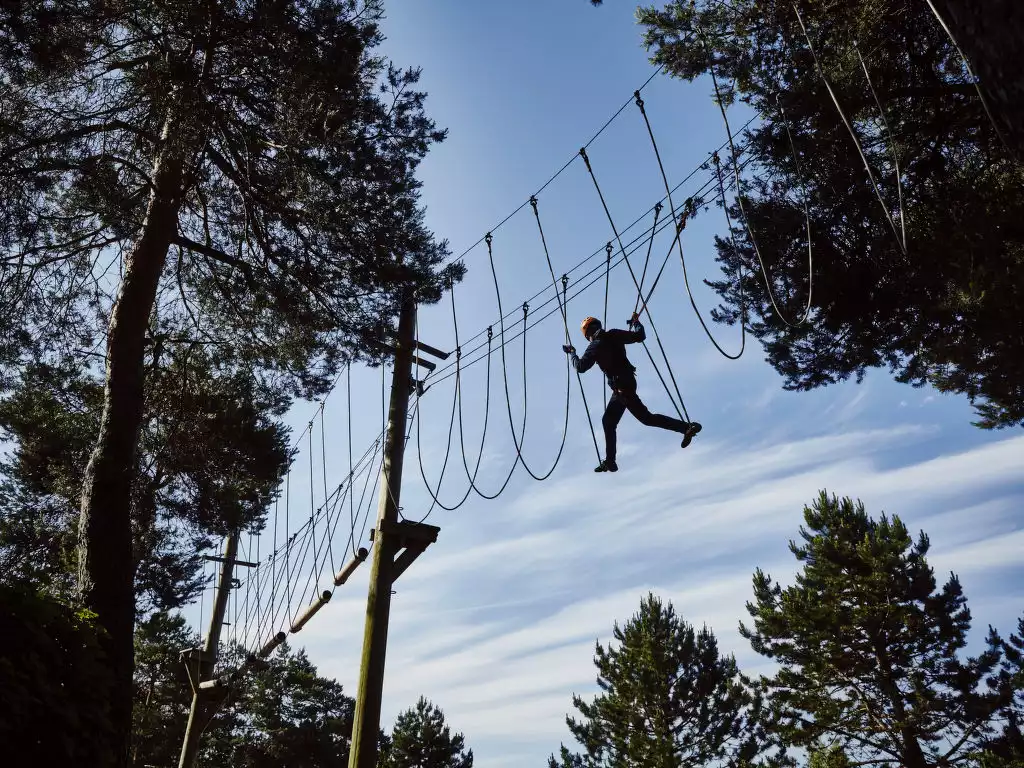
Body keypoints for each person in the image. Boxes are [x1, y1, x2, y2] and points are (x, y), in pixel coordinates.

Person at [562, 314, 701, 472]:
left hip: (621, 388)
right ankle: (686, 428)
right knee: (641, 419)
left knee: (611, 422)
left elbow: (580, 367)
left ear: (587, 335)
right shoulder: (614, 334)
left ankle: (610, 461)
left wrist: (572, 353)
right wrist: (636, 323)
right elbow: (640, 336)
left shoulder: (595, 346)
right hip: (628, 383)